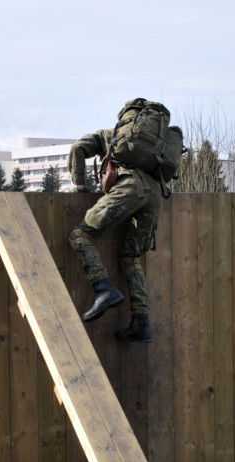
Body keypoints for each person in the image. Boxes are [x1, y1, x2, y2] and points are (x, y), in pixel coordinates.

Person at [67, 129, 163, 343]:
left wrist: (80, 188)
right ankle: (141, 324)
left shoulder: (109, 135)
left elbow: (77, 148)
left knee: (80, 236)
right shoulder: (153, 142)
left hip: (128, 189)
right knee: (131, 259)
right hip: (156, 195)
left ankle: (103, 289)